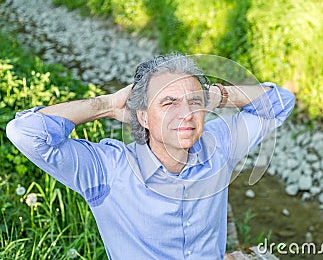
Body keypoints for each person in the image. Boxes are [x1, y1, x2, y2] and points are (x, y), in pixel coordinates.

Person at [6, 53, 295, 259]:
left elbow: (280, 101)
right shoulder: (108, 170)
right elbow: (25, 132)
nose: (185, 113)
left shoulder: (219, 143)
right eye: (168, 103)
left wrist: (219, 94)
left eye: (194, 102)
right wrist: (105, 105)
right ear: (143, 116)